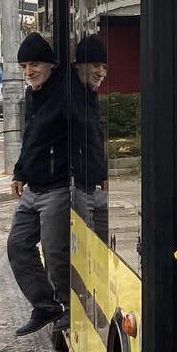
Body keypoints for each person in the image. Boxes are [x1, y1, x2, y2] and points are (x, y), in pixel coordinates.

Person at [9, 31, 71, 335]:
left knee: (55, 252)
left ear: (50, 65)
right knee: (18, 246)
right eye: (23, 67)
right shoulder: (32, 95)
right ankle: (46, 306)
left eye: (34, 64)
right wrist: (19, 172)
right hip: (32, 188)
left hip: (59, 187)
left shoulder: (67, 92)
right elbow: (30, 139)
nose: (28, 71)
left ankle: (71, 308)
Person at [70, 34, 110, 238]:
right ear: (79, 66)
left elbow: (95, 139)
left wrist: (103, 176)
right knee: (87, 244)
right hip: (78, 187)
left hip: (94, 185)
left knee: (101, 246)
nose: (101, 72)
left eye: (104, 67)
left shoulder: (90, 96)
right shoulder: (70, 96)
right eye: (96, 65)